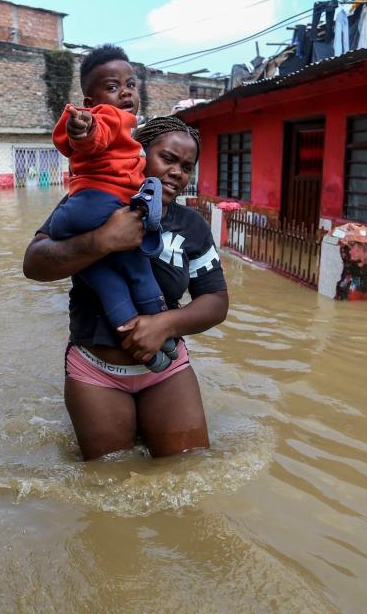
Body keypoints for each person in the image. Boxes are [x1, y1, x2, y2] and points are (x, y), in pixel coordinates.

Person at [23, 117, 229, 461]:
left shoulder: (191, 225)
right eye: (167, 158)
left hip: (167, 370)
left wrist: (165, 324)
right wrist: (100, 240)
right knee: (107, 480)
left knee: (188, 468)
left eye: (187, 166)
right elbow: (34, 264)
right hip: (95, 372)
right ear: (138, 154)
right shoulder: (93, 202)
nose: (177, 172)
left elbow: (217, 301)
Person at [49, 44, 176, 372]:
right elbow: (94, 135)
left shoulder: (127, 131)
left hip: (101, 206)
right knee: (135, 269)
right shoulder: (108, 118)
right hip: (99, 201)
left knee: (106, 274)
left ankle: (155, 346)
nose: (125, 92)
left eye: (131, 85)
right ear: (91, 102)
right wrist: (83, 129)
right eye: (112, 86)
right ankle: (164, 341)